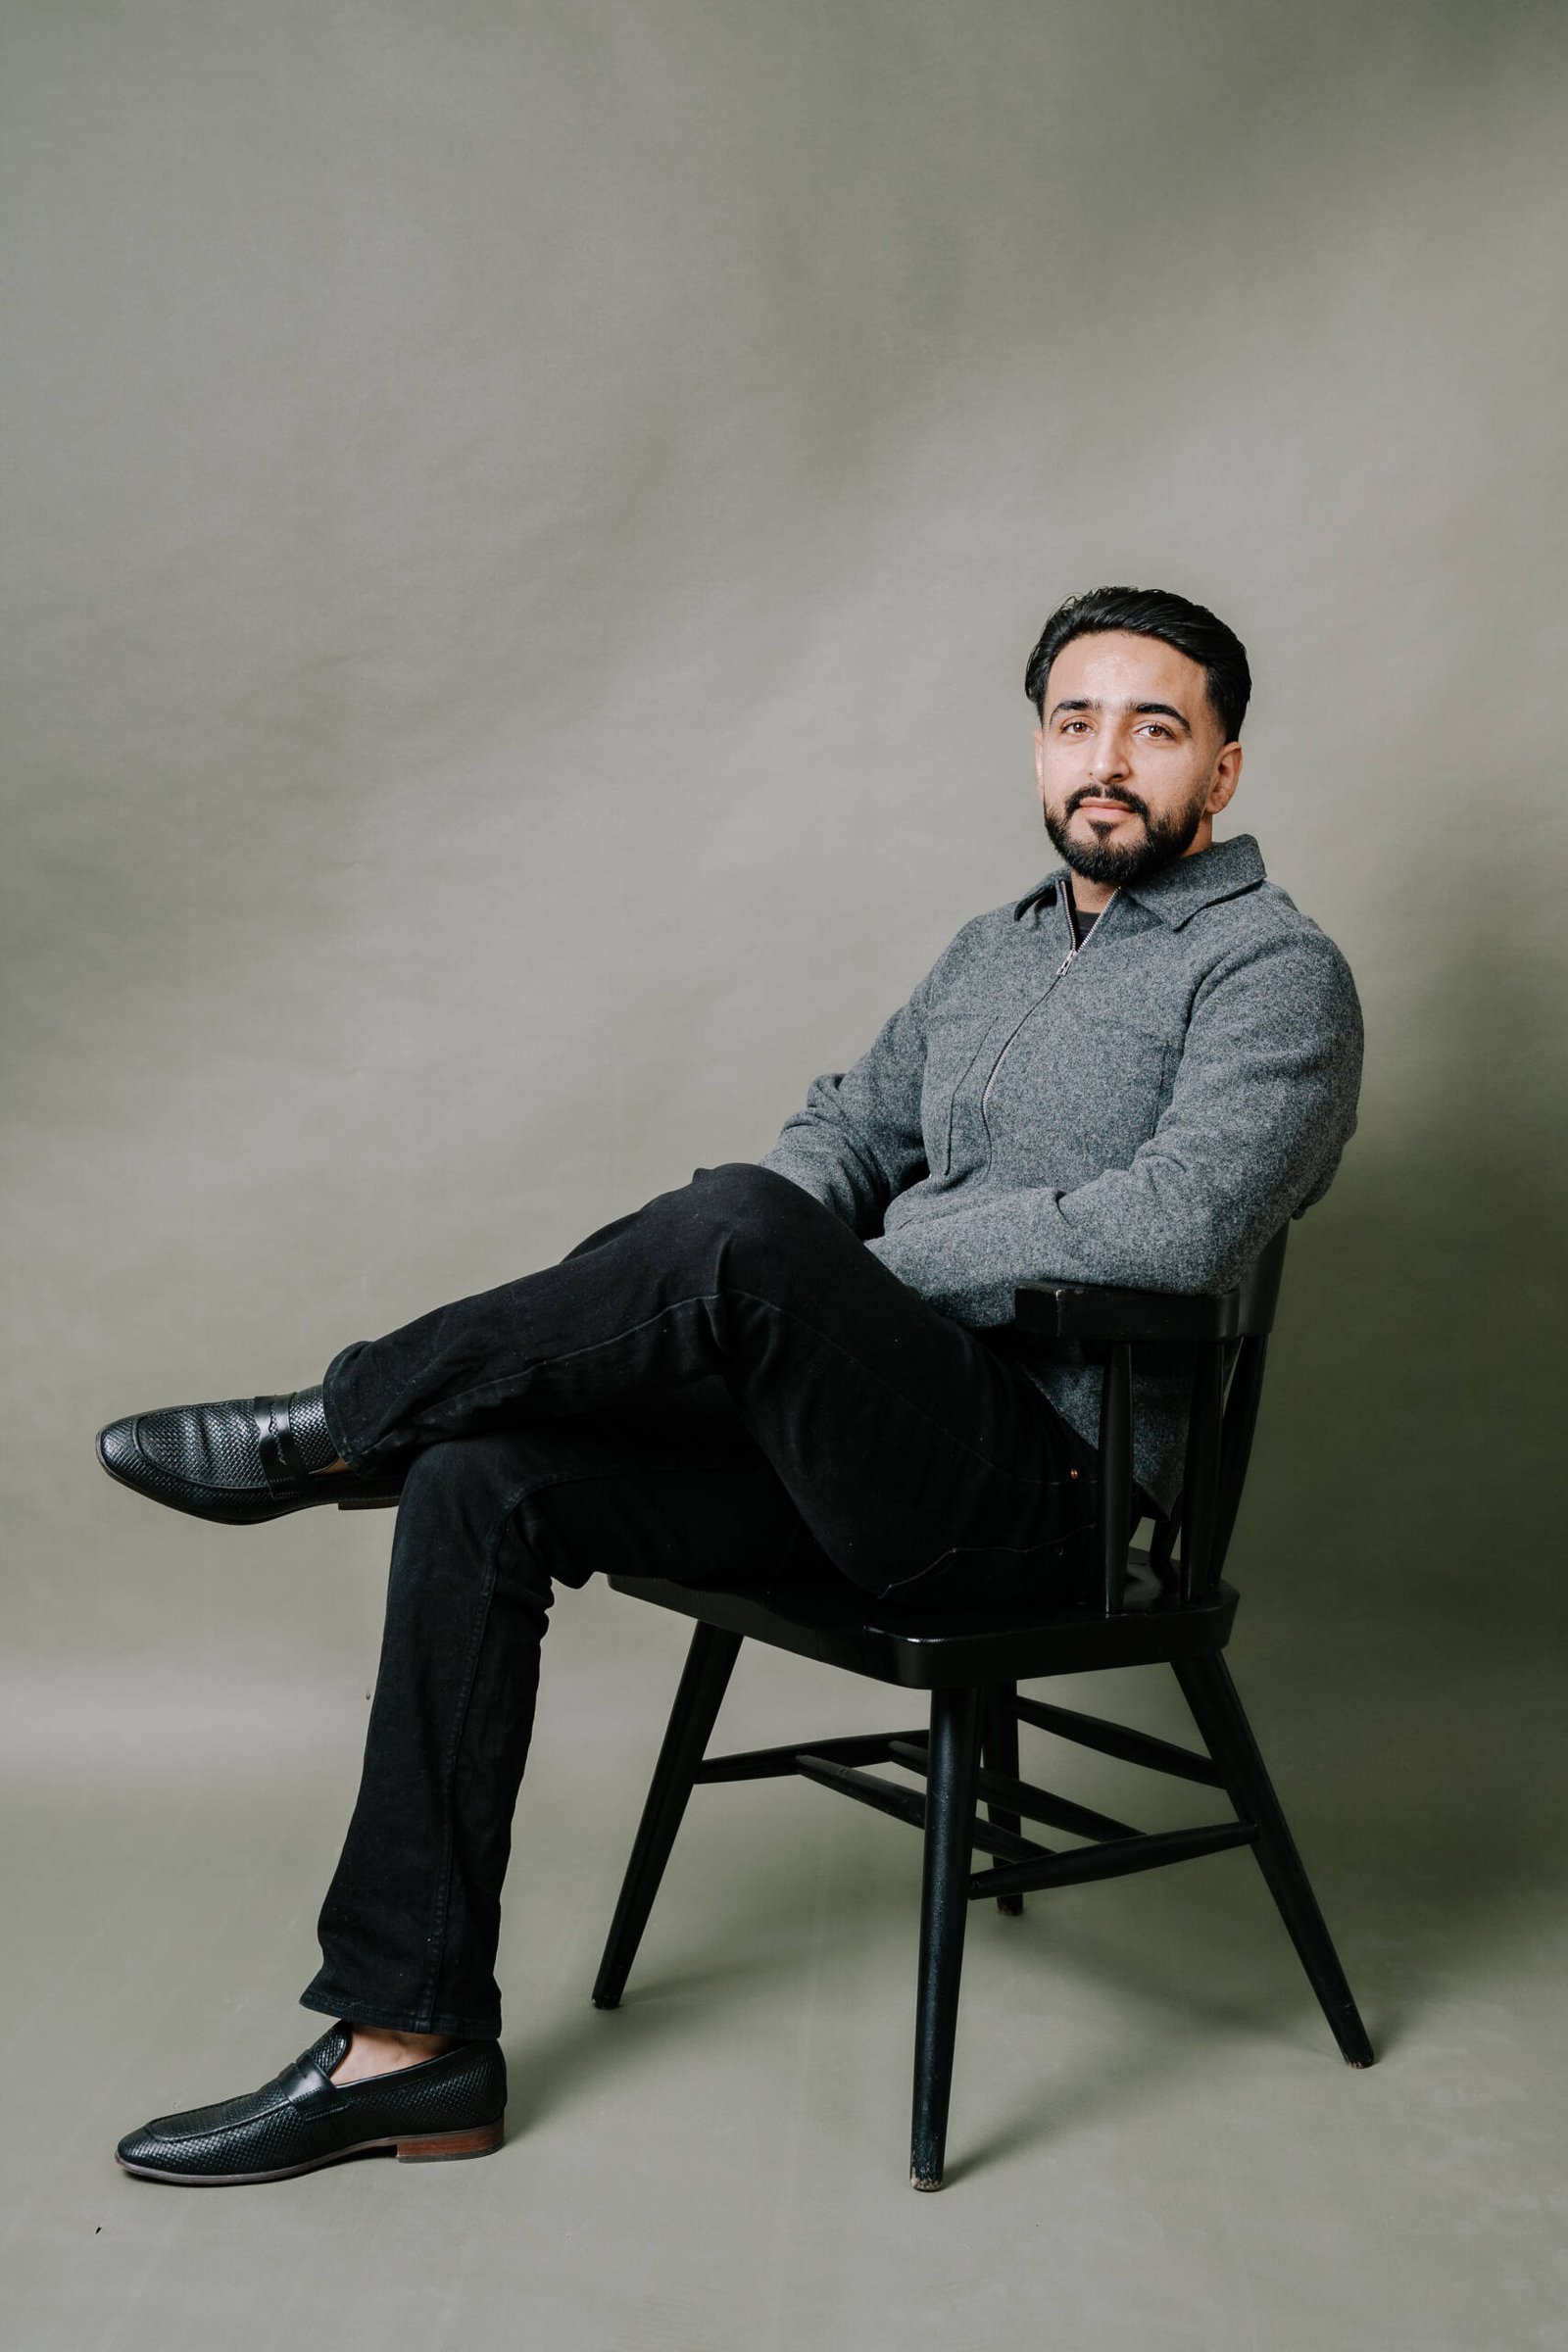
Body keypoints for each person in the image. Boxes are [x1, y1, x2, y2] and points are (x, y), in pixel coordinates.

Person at [101, 585, 1363, 2185]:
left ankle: (341, 1421)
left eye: (1153, 727)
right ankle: (409, 2045)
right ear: (1041, 749)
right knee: (486, 1479)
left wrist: (834, 1274)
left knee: (742, 1238)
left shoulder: (1274, 972)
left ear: (1222, 769)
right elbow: (844, 1128)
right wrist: (787, 1258)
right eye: (1074, 722)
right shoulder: (992, 951)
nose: (1106, 759)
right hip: (843, 1460)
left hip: (1039, 1498)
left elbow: (1175, 1229)